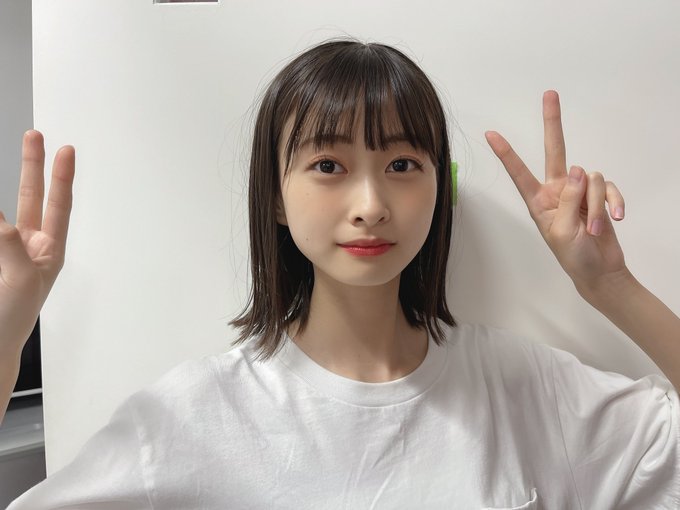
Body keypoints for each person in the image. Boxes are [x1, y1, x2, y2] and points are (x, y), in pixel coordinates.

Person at [2, 38, 679, 509]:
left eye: (402, 165)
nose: (371, 205)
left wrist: (610, 287)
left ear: (438, 189)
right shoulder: (191, 419)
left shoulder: (524, 388)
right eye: (328, 165)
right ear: (275, 194)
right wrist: (8, 333)